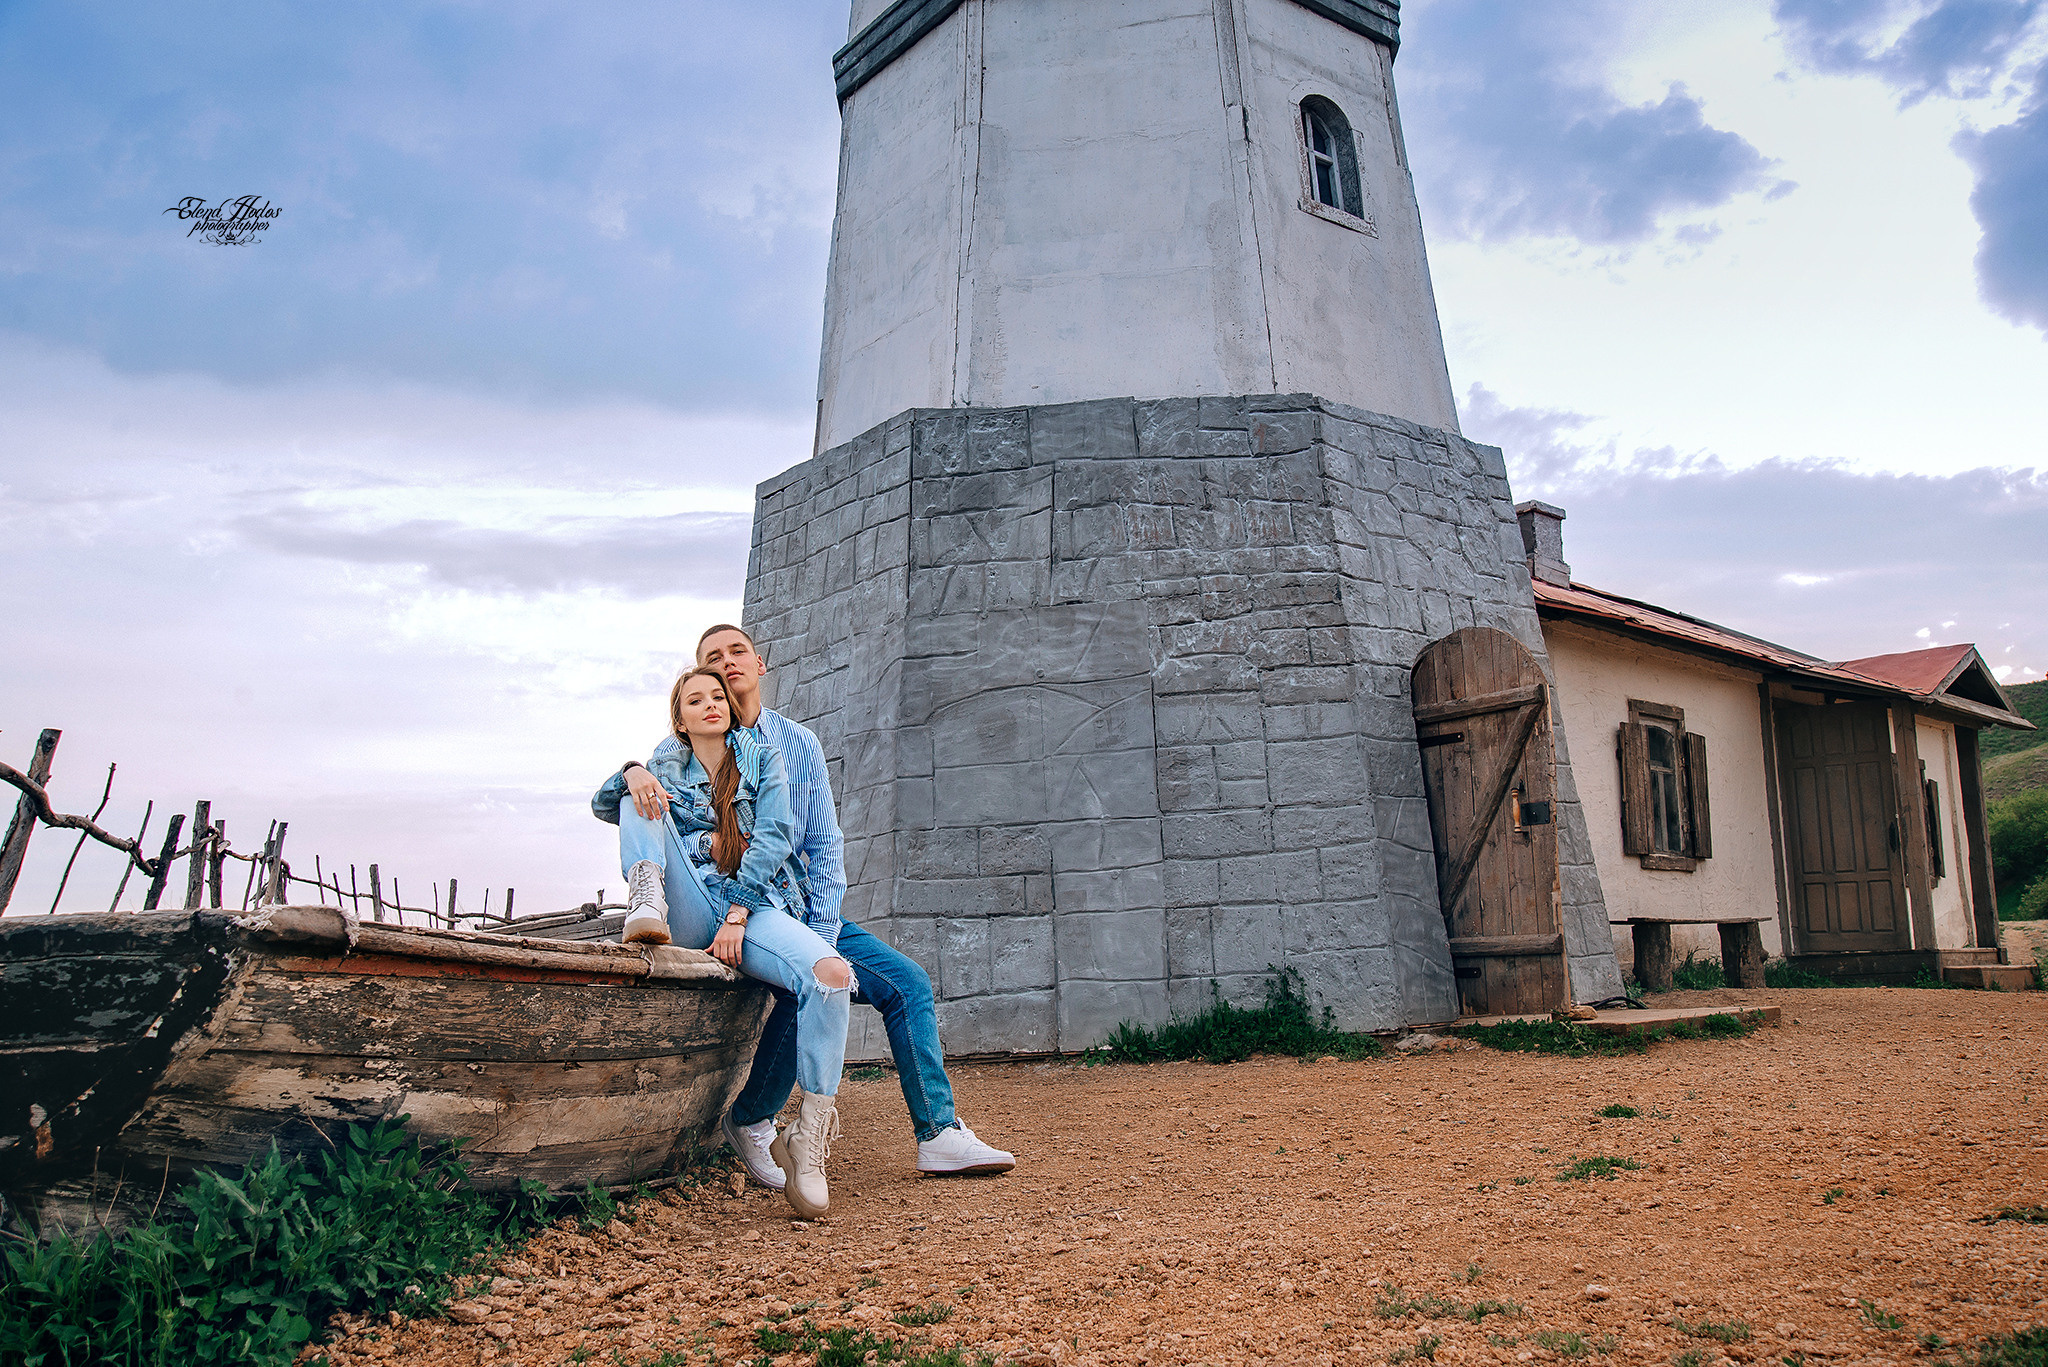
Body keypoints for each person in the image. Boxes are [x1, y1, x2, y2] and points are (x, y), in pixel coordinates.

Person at [680, 624, 1016, 1185]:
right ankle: (755, 1118)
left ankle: (938, 1133)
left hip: (806, 912)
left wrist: (824, 927)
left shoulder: (795, 745)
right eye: (714, 658)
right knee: (803, 986)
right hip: (737, 917)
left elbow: (820, 842)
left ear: (760, 664)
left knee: (904, 983)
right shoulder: (690, 751)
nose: (729, 662)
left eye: (738, 651)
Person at [591, 665, 852, 1219]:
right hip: (684, 904)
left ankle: (808, 1138)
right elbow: (601, 804)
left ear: (730, 710)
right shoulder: (664, 761)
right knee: (636, 798)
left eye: (718, 697)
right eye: (695, 700)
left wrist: (737, 914)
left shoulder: (765, 760)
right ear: (680, 719)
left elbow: (774, 837)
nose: (710, 704)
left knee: (831, 976)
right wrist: (632, 770)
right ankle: (645, 898)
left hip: (751, 903)